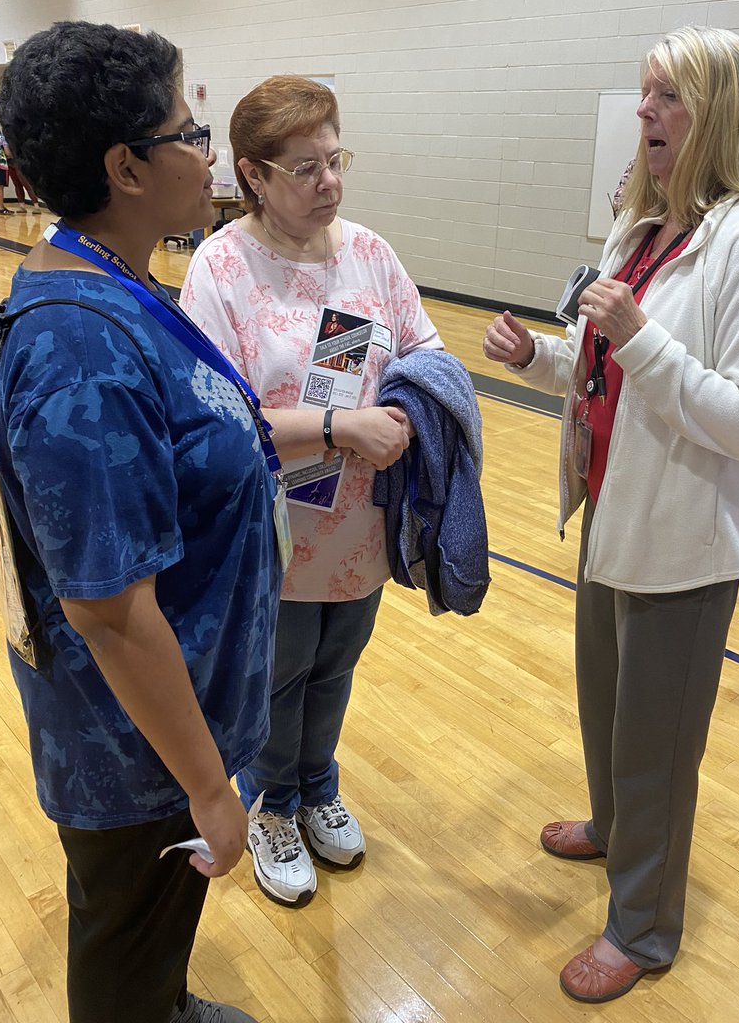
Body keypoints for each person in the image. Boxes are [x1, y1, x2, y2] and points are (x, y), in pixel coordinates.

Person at [483, 26, 739, 1004]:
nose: (642, 114)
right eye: (643, 94)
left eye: (665, 97)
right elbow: (607, 374)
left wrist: (639, 338)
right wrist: (540, 358)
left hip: (686, 551)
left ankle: (644, 927)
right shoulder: (644, 226)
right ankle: (616, 834)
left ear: (718, 114)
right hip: (612, 522)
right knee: (608, 716)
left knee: (658, 750)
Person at [0, 21, 281, 1023]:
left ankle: (162, 1003)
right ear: (125, 165)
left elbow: (185, 443)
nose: (206, 152)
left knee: (153, 925)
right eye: (188, 130)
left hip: (165, 725)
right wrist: (208, 788)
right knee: (125, 932)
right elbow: (110, 609)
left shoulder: (112, 278)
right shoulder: (80, 353)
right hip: (138, 750)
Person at [181, 75, 442, 909]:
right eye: (305, 168)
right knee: (280, 673)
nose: (329, 182)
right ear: (252, 176)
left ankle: (318, 784)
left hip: (360, 520)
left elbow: (425, 353)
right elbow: (218, 420)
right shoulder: (221, 268)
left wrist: (401, 406)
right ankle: (271, 804)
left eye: (336, 160)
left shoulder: (368, 252)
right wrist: (335, 430)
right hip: (272, 527)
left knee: (336, 662)